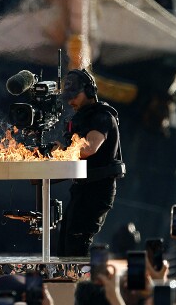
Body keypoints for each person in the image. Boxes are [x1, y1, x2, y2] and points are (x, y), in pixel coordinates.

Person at [58, 68, 125, 256]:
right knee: (65, 240)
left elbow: (89, 148)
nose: (71, 102)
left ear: (88, 91)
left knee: (77, 241)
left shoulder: (101, 117)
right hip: (82, 188)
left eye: (74, 95)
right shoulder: (82, 118)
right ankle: (66, 281)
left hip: (98, 189)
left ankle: (78, 282)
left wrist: (62, 152)